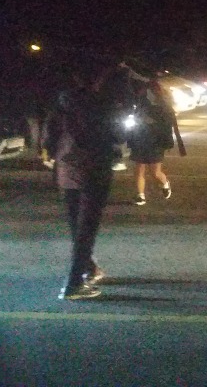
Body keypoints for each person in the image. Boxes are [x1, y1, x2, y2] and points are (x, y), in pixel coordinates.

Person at [42, 58, 124, 300]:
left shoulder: (63, 101)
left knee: (76, 224)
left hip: (67, 168)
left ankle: (89, 268)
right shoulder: (102, 103)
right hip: (94, 168)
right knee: (87, 227)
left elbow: (49, 134)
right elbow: (117, 135)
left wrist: (52, 153)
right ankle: (74, 283)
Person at [128, 80, 180, 206]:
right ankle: (141, 196)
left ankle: (165, 183)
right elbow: (134, 117)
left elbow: (167, 126)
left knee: (155, 172)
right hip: (140, 139)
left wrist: (152, 123)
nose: (147, 93)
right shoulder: (140, 103)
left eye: (150, 91)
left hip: (156, 142)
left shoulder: (164, 105)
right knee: (139, 169)